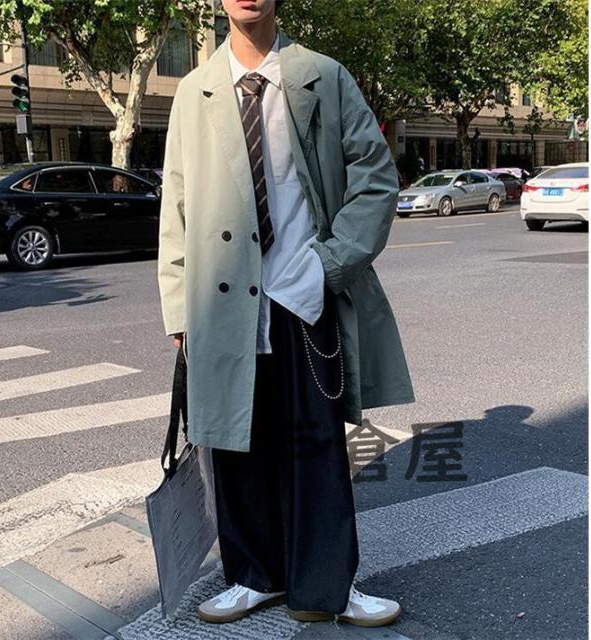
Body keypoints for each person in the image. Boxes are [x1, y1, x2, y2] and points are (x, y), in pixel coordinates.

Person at [157, 0, 414, 627]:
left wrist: (329, 264)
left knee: (315, 444)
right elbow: (177, 203)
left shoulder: (322, 76)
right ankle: (254, 576)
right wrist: (178, 307)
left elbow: (376, 178)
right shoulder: (194, 91)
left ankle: (328, 587)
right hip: (220, 299)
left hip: (302, 293)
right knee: (234, 443)